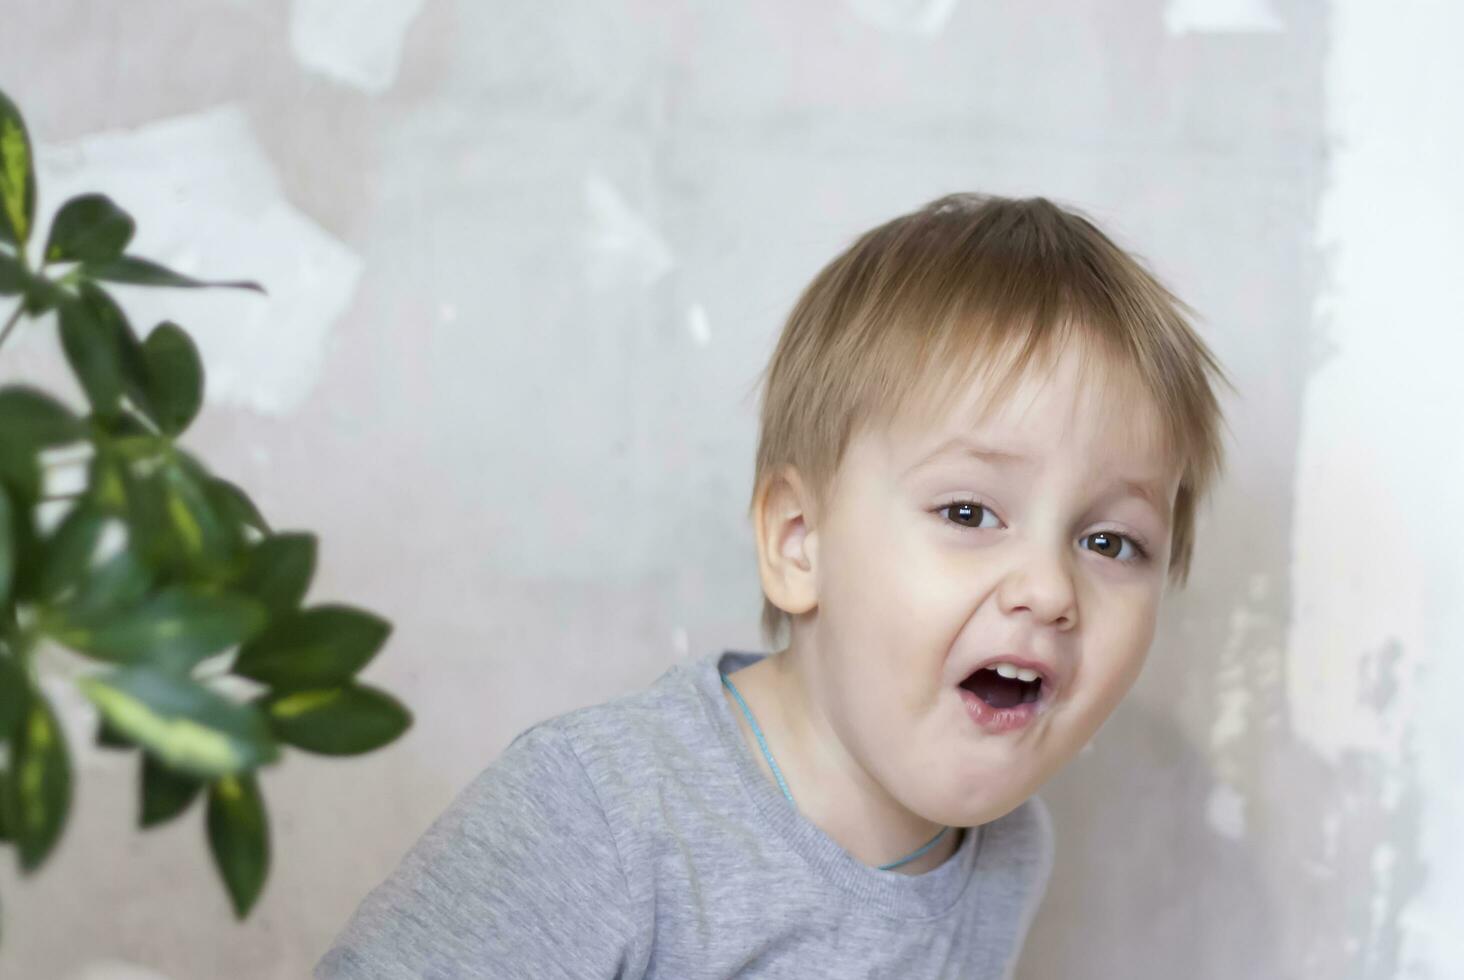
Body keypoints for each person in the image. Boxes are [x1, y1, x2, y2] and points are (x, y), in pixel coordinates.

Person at [313, 192, 1234, 979]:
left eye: (1111, 540)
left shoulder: (1009, 855)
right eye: (968, 514)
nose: (1049, 588)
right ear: (800, 542)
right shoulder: (604, 812)